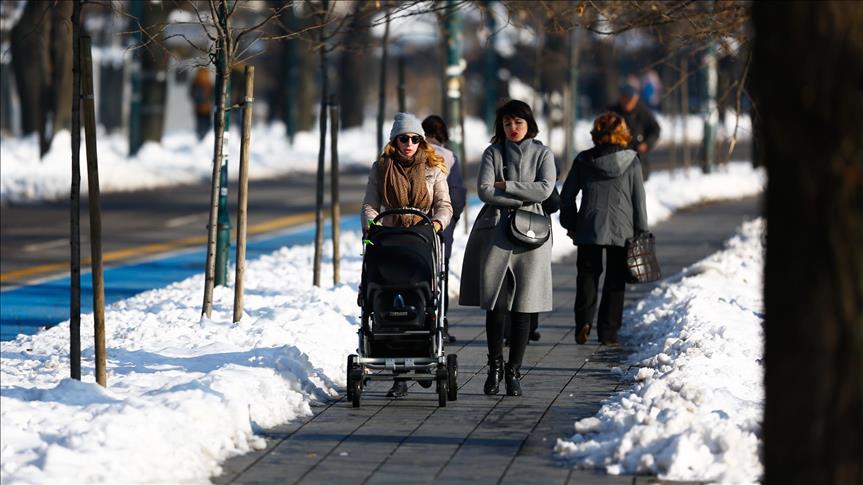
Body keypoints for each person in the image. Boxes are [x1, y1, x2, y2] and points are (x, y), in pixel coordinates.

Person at [459, 100, 555, 397]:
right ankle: (495, 366)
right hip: (497, 233)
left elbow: (546, 189)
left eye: (518, 123)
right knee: (496, 305)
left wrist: (507, 186)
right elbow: (485, 191)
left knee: (524, 307)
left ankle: (514, 371)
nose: (513, 129)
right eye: (507, 124)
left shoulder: (543, 153)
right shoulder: (493, 152)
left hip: (531, 234)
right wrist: (520, 196)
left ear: (529, 125)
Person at [361, 112, 454, 398]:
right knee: (388, 300)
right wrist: (374, 224)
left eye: (415, 139)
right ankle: (399, 377)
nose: (409, 144)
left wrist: (436, 223)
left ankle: (425, 354)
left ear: (422, 141)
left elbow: (444, 205)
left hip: (421, 241)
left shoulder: (434, 168)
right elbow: (369, 206)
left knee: (422, 300)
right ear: (395, 141)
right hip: (389, 242)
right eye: (404, 138)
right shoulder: (381, 168)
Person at [559, 112, 649, 346]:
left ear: (596, 133)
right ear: (623, 134)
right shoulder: (632, 160)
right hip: (623, 229)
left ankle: (584, 322)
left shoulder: (583, 160)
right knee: (615, 280)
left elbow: (567, 197)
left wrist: (572, 224)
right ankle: (608, 332)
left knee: (587, 276)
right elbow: (638, 200)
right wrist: (641, 231)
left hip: (589, 227)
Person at [421, 115, 467, 343]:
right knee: (440, 275)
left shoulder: (407, 150)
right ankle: (441, 322)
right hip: (439, 228)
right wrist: (449, 221)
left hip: (408, 231)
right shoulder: (448, 157)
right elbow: (457, 197)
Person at [608, 82, 660, 180]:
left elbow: (655, 130)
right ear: (620, 98)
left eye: (631, 100)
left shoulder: (642, 111)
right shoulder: (612, 113)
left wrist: (647, 144)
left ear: (635, 99)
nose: (628, 103)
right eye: (625, 99)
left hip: (638, 162)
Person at [189, 67, 213, 140]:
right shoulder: (207, 83)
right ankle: (202, 138)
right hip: (204, 108)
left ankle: (202, 138)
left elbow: (191, 94)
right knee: (205, 124)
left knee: (202, 125)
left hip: (200, 108)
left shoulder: (196, 83)